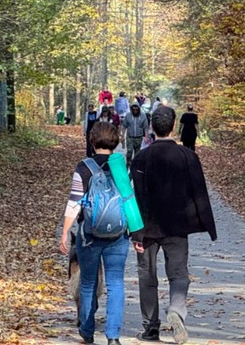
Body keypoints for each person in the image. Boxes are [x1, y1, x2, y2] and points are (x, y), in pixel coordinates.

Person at [129, 105, 217, 344]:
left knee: (147, 276)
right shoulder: (188, 156)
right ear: (174, 125)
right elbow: (199, 191)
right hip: (177, 226)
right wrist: (206, 223)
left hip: (147, 229)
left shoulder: (141, 158)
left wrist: (136, 232)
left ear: (151, 126)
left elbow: (134, 198)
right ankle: (176, 311)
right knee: (178, 275)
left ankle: (150, 327)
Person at [60, 123, 129, 345]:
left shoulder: (84, 167)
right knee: (115, 283)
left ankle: (87, 331)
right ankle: (113, 336)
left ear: (92, 140)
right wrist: (137, 232)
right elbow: (129, 200)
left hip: (89, 235)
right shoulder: (122, 166)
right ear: (116, 141)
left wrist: (65, 232)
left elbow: (74, 203)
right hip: (118, 234)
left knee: (88, 282)